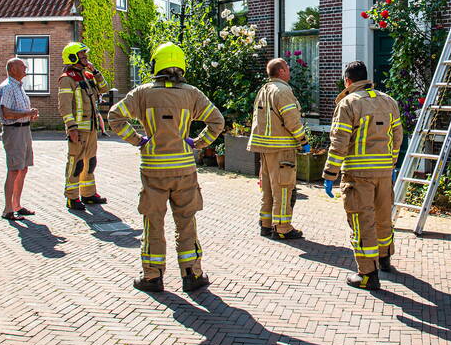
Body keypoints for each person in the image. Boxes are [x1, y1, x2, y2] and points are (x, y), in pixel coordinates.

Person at [109, 42, 224, 293]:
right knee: (186, 221)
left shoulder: (142, 93)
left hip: (153, 169)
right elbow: (217, 121)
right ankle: (192, 274)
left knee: (153, 222)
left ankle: (152, 276)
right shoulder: (192, 94)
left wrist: (138, 140)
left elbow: (115, 117)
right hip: (184, 169)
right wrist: (197, 143)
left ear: (155, 65)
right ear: (181, 66)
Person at [322, 60, 403, 291]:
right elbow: (397, 136)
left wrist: (330, 173)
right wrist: (390, 163)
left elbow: (339, 142)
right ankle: (385, 258)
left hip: (358, 175)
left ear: (347, 80)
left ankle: (367, 274)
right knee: (383, 217)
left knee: (362, 221)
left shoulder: (348, 103)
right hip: (384, 172)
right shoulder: (389, 101)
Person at [248, 57, 309, 240]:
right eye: (287, 67)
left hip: (265, 148)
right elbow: (292, 120)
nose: (289, 70)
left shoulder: (264, 90)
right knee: (283, 188)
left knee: (267, 188)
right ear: (281, 71)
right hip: (282, 148)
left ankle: (266, 225)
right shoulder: (283, 91)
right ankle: (282, 228)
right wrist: (303, 140)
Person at [57, 42, 110, 210]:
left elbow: (104, 88)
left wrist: (95, 71)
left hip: (91, 127)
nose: (86, 57)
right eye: (82, 55)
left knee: (90, 162)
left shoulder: (87, 75)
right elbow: (64, 106)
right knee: (76, 163)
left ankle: (88, 194)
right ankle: (72, 197)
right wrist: (71, 127)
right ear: (73, 57)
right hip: (78, 130)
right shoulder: (67, 79)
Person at [0, 58, 39, 221]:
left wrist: (29, 114)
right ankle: (8, 209)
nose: (25, 67)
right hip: (14, 131)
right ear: (13, 69)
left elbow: (18, 110)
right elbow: (7, 113)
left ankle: (17, 205)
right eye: (22, 65)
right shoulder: (7, 87)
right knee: (14, 169)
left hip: (24, 129)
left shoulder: (19, 87)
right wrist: (27, 113)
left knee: (23, 168)